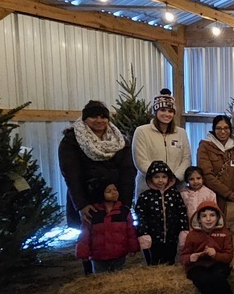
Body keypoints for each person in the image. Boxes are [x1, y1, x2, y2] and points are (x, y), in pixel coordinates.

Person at [58, 99, 135, 274]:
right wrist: (81, 204)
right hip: (88, 198)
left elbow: (128, 172)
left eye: (103, 116)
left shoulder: (120, 141)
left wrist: (126, 203)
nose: (99, 120)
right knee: (90, 238)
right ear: (85, 118)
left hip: (114, 198)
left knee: (114, 236)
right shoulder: (71, 141)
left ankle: (116, 274)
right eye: (93, 116)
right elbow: (71, 174)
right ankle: (90, 277)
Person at [181, 202, 234, 294]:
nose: (208, 219)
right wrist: (191, 257)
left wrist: (215, 254)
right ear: (199, 219)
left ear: (218, 217)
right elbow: (183, 256)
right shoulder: (192, 235)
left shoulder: (225, 233)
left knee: (218, 278)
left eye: (212, 215)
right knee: (204, 281)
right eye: (204, 216)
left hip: (217, 263)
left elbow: (228, 256)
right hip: (197, 266)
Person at [131, 88, 191, 198]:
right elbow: (140, 160)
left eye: (170, 111)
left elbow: (186, 159)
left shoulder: (181, 133)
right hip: (148, 189)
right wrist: (159, 178)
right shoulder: (141, 132)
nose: (167, 114)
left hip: (176, 189)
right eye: (163, 110)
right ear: (155, 111)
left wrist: (174, 178)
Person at [74, 182, 140, 274]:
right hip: (99, 255)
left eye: (115, 190)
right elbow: (85, 234)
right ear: (100, 194)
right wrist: (83, 252)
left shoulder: (123, 211)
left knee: (119, 276)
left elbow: (131, 231)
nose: (114, 193)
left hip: (119, 253)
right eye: (109, 191)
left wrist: (133, 248)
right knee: (100, 279)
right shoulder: (93, 212)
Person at [135, 160, 188, 266]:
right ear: (150, 178)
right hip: (152, 238)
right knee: (154, 263)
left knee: (170, 261)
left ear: (169, 178)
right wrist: (143, 233)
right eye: (156, 177)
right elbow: (141, 216)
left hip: (172, 237)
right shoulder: (145, 196)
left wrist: (184, 230)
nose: (160, 180)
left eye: (164, 177)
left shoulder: (175, 194)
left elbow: (182, 212)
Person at [197, 115, 234, 225]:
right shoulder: (205, 146)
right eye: (219, 128)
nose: (223, 131)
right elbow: (206, 175)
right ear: (213, 129)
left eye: (226, 128)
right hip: (212, 197)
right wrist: (227, 193)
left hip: (233, 199)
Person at [180, 166, 217, 231]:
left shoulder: (210, 194)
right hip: (188, 227)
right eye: (191, 179)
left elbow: (214, 212)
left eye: (198, 178)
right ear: (187, 180)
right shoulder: (183, 194)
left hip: (205, 228)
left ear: (203, 178)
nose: (195, 181)